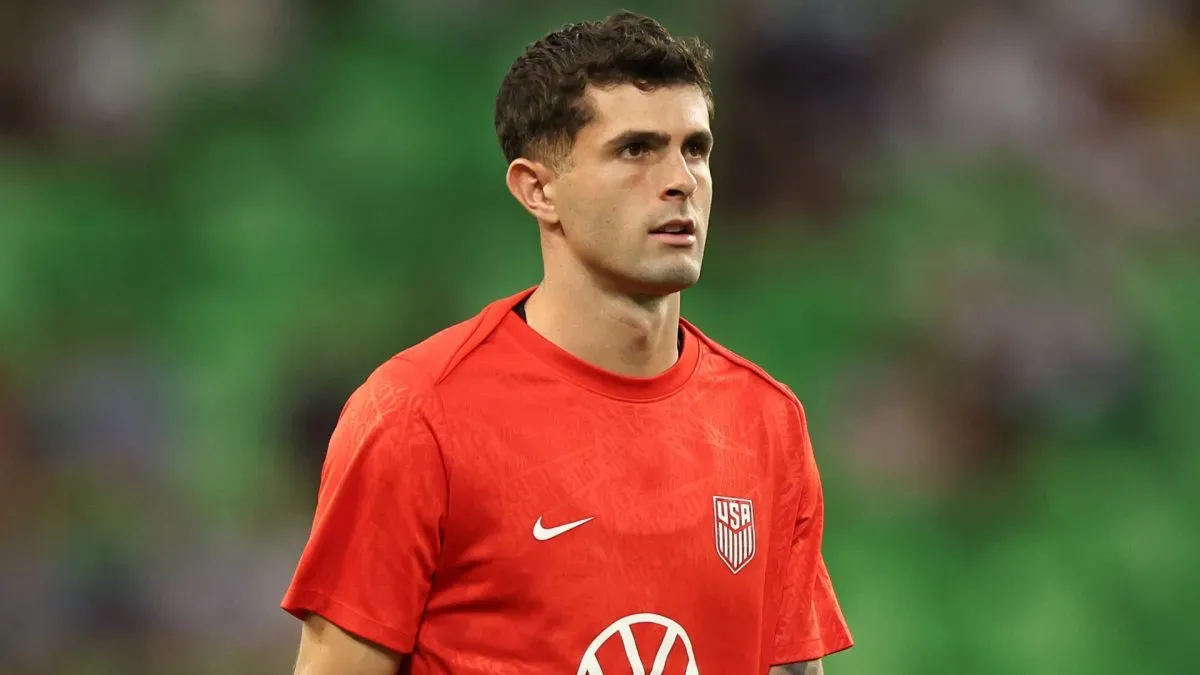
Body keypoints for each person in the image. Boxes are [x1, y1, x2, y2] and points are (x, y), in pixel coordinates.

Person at [282, 10, 853, 675]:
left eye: (694, 148)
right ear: (538, 189)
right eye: (636, 149)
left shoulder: (765, 421)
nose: (680, 180)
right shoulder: (418, 416)